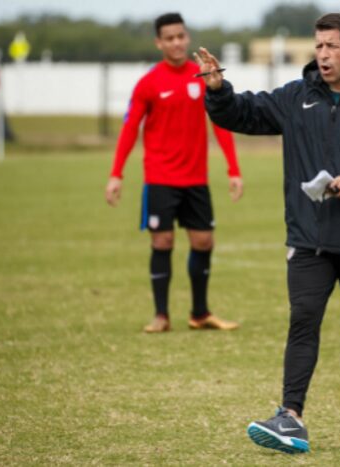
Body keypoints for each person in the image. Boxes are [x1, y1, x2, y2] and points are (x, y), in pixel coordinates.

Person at [196, 13, 340, 454]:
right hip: (308, 237)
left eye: (332, 46)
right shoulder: (297, 97)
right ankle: (290, 417)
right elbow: (244, 113)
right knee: (303, 322)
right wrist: (218, 89)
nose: (323, 54)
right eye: (318, 46)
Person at [105, 13, 243, 333]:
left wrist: (233, 169)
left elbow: (220, 122)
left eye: (181, 36)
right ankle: (161, 315)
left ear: (187, 37)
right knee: (163, 241)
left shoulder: (204, 76)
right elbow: (129, 129)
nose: (177, 42)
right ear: (159, 43)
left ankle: (199, 313)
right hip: (160, 177)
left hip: (196, 177)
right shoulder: (149, 83)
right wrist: (116, 174)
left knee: (204, 241)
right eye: (169, 38)